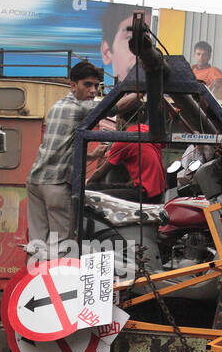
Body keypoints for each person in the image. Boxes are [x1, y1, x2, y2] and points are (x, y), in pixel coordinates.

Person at [25, 60, 104, 249]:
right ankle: (57, 278)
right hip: (57, 184)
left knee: (37, 243)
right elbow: (115, 106)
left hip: (35, 181)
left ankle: (34, 276)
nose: (93, 91)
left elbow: (62, 147)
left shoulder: (57, 106)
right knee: (61, 244)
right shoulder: (80, 107)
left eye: (96, 86)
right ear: (73, 85)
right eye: (87, 85)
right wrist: (138, 92)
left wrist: (92, 156)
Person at [86, 122, 165, 202]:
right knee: (92, 187)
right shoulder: (146, 129)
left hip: (145, 194)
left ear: (120, 119)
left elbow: (101, 172)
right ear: (141, 114)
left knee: (90, 195)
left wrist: (84, 187)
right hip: (157, 192)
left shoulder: (124, 139)